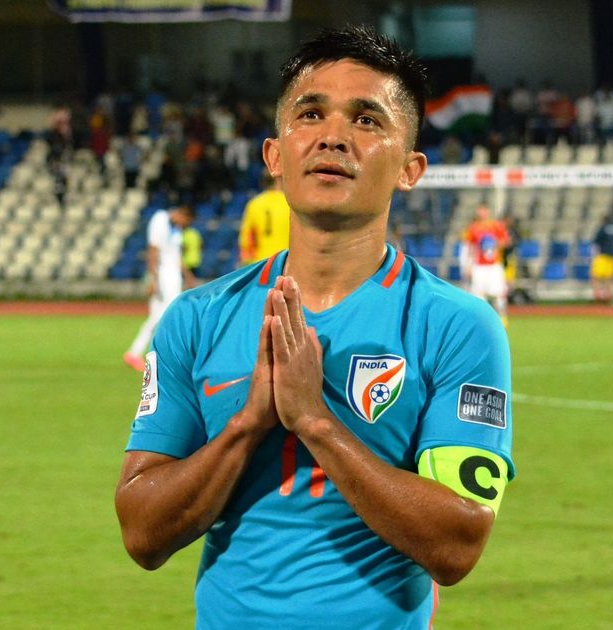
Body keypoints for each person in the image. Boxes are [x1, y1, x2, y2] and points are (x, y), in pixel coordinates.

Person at [115, 26, 513, 629]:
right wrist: (248, 425)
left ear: (411, 168)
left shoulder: (459, 327)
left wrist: (314, 421)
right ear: (276, 155)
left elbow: (457, 544)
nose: (333, 135)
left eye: (367, 120)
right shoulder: (196, 318)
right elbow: (142, 534)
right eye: (310, 113)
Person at [123, 204, 195, 371]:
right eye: (186, 222)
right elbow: (153, 250)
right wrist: (153, 279)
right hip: (163, 275)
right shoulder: (160, 220)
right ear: (182, 214)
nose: (185, 226)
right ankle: (145, 353)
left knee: (158, 316)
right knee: (166, 315)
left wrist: (189, 276)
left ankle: (138, 353)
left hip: (172, 275)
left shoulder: (175, 229)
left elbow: (177, 256)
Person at [461, 204, 511, 323]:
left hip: (494, 265)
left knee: (499, 292)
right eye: (480, 210)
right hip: (479, 266)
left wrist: (494, 244)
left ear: (487, 211)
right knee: (478, 293)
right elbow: (469, 248)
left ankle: (502, 318)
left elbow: (507, 241)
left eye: (484, 210)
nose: (482, 213)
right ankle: (483, 319)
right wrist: (468, 265)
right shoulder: (473, 228)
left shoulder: (496, 226)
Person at [238, 171, 291, 264]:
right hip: (285, 262)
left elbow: (246, 239)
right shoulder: (289, 203)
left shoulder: (254, 204)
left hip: (261, 263)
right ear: (278, 180)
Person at [591, 212, 613, 303]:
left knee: (596, 276)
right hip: (612, 256)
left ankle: (597, 295)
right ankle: (609, 296)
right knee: (609, 278)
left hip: (602, 255)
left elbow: (596, 242)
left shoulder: (602, 229)